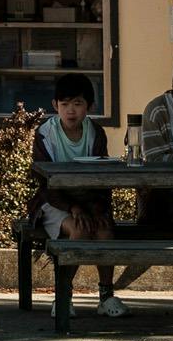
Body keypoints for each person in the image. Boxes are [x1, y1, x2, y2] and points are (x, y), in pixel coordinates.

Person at [31, 74, 124, 318]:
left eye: (78, 104)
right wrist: (72, 207)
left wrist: (98, 209)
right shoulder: (45, 134)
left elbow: (102, 177)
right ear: (55, 106)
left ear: (89, 106)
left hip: (89, 200)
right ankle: (63, 294)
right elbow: (44, 183)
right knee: (78, 230)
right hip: (54, 202)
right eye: (65, 104)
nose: (71, 111)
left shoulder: (95, 133)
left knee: (105, 231)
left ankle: (106, 294)